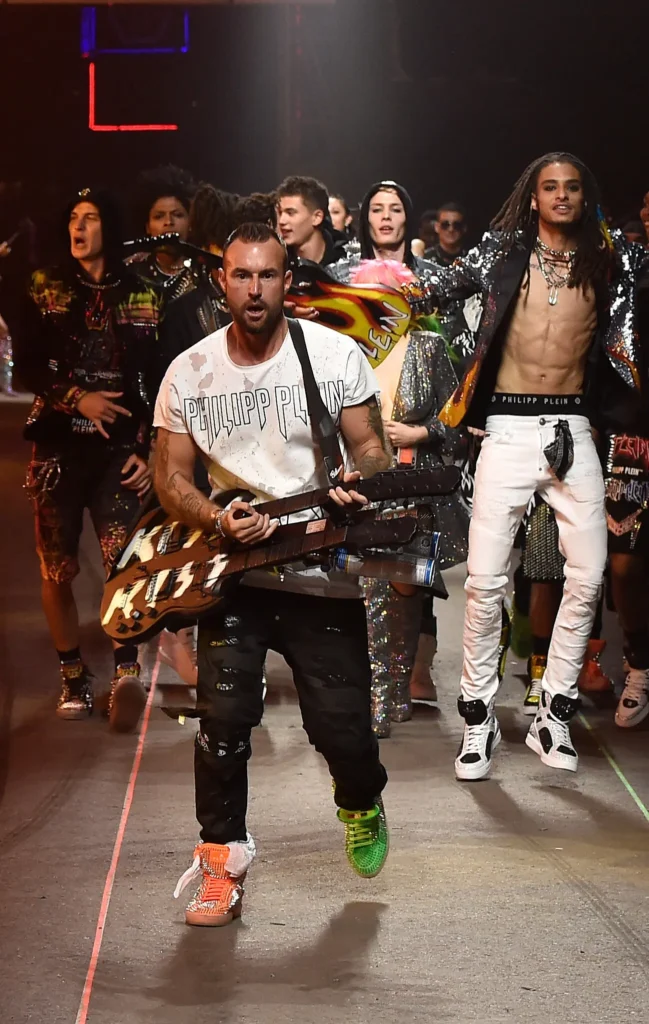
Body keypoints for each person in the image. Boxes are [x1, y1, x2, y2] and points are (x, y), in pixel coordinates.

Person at [154, 222, 390, 927]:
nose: (254, 289)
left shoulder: (334, 355)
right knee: (223, 721)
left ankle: (359, 800)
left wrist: (360, 480)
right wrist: (214, 517)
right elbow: (170, 476)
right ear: (221, 281)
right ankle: (221, 863)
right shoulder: (189, 370)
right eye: (241, 275)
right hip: (234, 574)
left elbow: (372, 449)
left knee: (342, 731)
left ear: (288, 281)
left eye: (267, 275)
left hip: (318, 567)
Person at [423, 152, 647, 778]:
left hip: (574, 427)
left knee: (589, 574)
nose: (561, 196)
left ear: (585, 196)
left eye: (572, 187)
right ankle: (478, 718)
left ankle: (555, 711)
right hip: (507, 428)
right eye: (550, 187)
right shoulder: (501, 253)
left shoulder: (611, 260)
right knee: (485, 581)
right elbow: (431, 289)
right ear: (533, 197)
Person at [15, 188, 162, 729]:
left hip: (119, 453)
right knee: (56, 566)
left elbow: (160, 378)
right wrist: (78, 398)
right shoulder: (45, 285)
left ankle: (126, 672)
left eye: (91, 218)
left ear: (110, 225)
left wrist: (148, 448)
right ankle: (73, 675)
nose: (79, 227)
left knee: (123, 562)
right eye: (73, 218)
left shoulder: (144, 293)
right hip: (57, 449)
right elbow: (26, 365)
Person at [350, 259, 468, 737]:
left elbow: (459, 421)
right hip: (359, 489)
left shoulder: (428, 347)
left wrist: (421, 432)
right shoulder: (344, 350)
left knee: (404, 589)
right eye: (364, 295)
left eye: (381, 295)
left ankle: (394, 690)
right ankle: (377, 695)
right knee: (367, 592)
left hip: (414, 489)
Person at [277, 175, 347, 267]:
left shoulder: (348, 260)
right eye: (280, 213)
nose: (281, 221)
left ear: (317, 217)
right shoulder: (277, 261)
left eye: (290, 213)